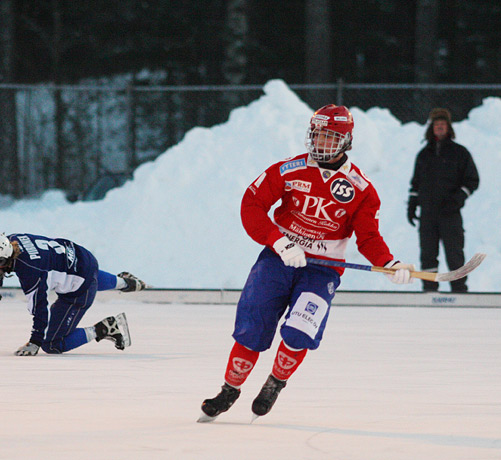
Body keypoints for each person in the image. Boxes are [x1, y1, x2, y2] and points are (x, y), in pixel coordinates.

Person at [199, 104, 415, 423]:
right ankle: (229, 389)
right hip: (278, 259)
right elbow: (252, 205)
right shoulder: (288, 169)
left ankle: (275, 382)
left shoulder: (363, 190)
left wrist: (389, 262)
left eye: (327, 138)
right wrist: (279, 240)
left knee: (300, 330)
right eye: (315, 135)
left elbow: (368, 237)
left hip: (322, 269)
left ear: (345, 141)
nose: (318, 143)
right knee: (252, 326)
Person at [0, 232, 147, 356]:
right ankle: (126, 282)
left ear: (3, 260)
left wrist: (35, 342)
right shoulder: (13, 239)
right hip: (83, 258)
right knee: (87, 274)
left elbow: (40, 309)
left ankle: (105, 328)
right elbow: (4, 268)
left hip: (79, 289)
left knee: (52, 344)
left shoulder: (30, 271)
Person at [407, 108, 479, 292]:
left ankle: (459, 289)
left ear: (448, 127)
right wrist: (412, 204)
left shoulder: (460, 153)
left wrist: (458, 198)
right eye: (436, 124)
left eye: (442, 124)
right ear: (431, 128)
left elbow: (472, 180)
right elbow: (415, 184)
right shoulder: (423, 155)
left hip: (450, 214)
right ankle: (429, 290)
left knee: (455, 254)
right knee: (428, 255)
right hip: (428, 214)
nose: (439, 127)